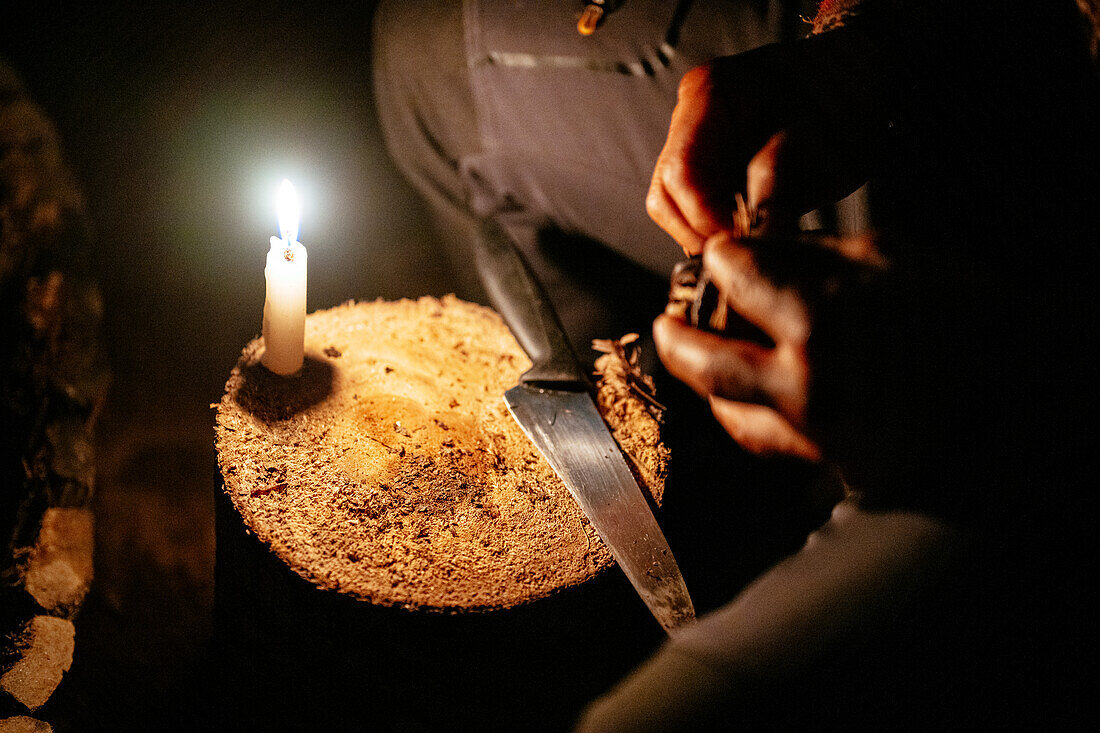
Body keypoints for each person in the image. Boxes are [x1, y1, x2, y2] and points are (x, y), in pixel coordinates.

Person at [374, 0, 1099, 727]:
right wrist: (876, 47)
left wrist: (1010, 369)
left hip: (1034, 434)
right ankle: (656, 463)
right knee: (423, 58)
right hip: (1023, 86)